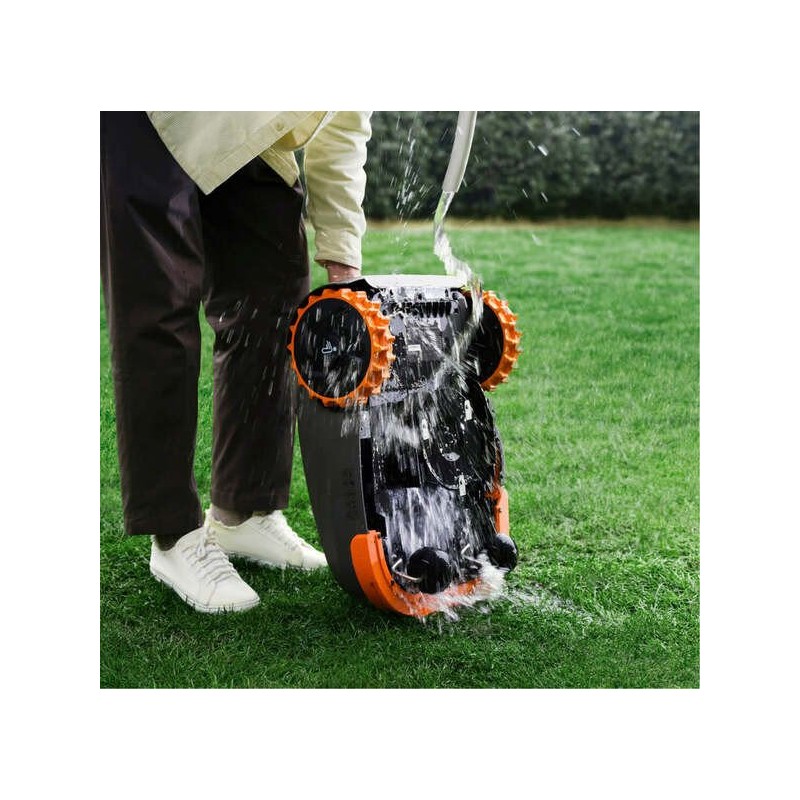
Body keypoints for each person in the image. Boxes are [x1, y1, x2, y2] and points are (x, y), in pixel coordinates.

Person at [100, 111, 372, 613]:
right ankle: (173, 534)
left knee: (275, 296)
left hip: (249, 125)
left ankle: (243, 511)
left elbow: (343, 128)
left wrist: (341, 255)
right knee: (160, 305)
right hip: (146, 111)